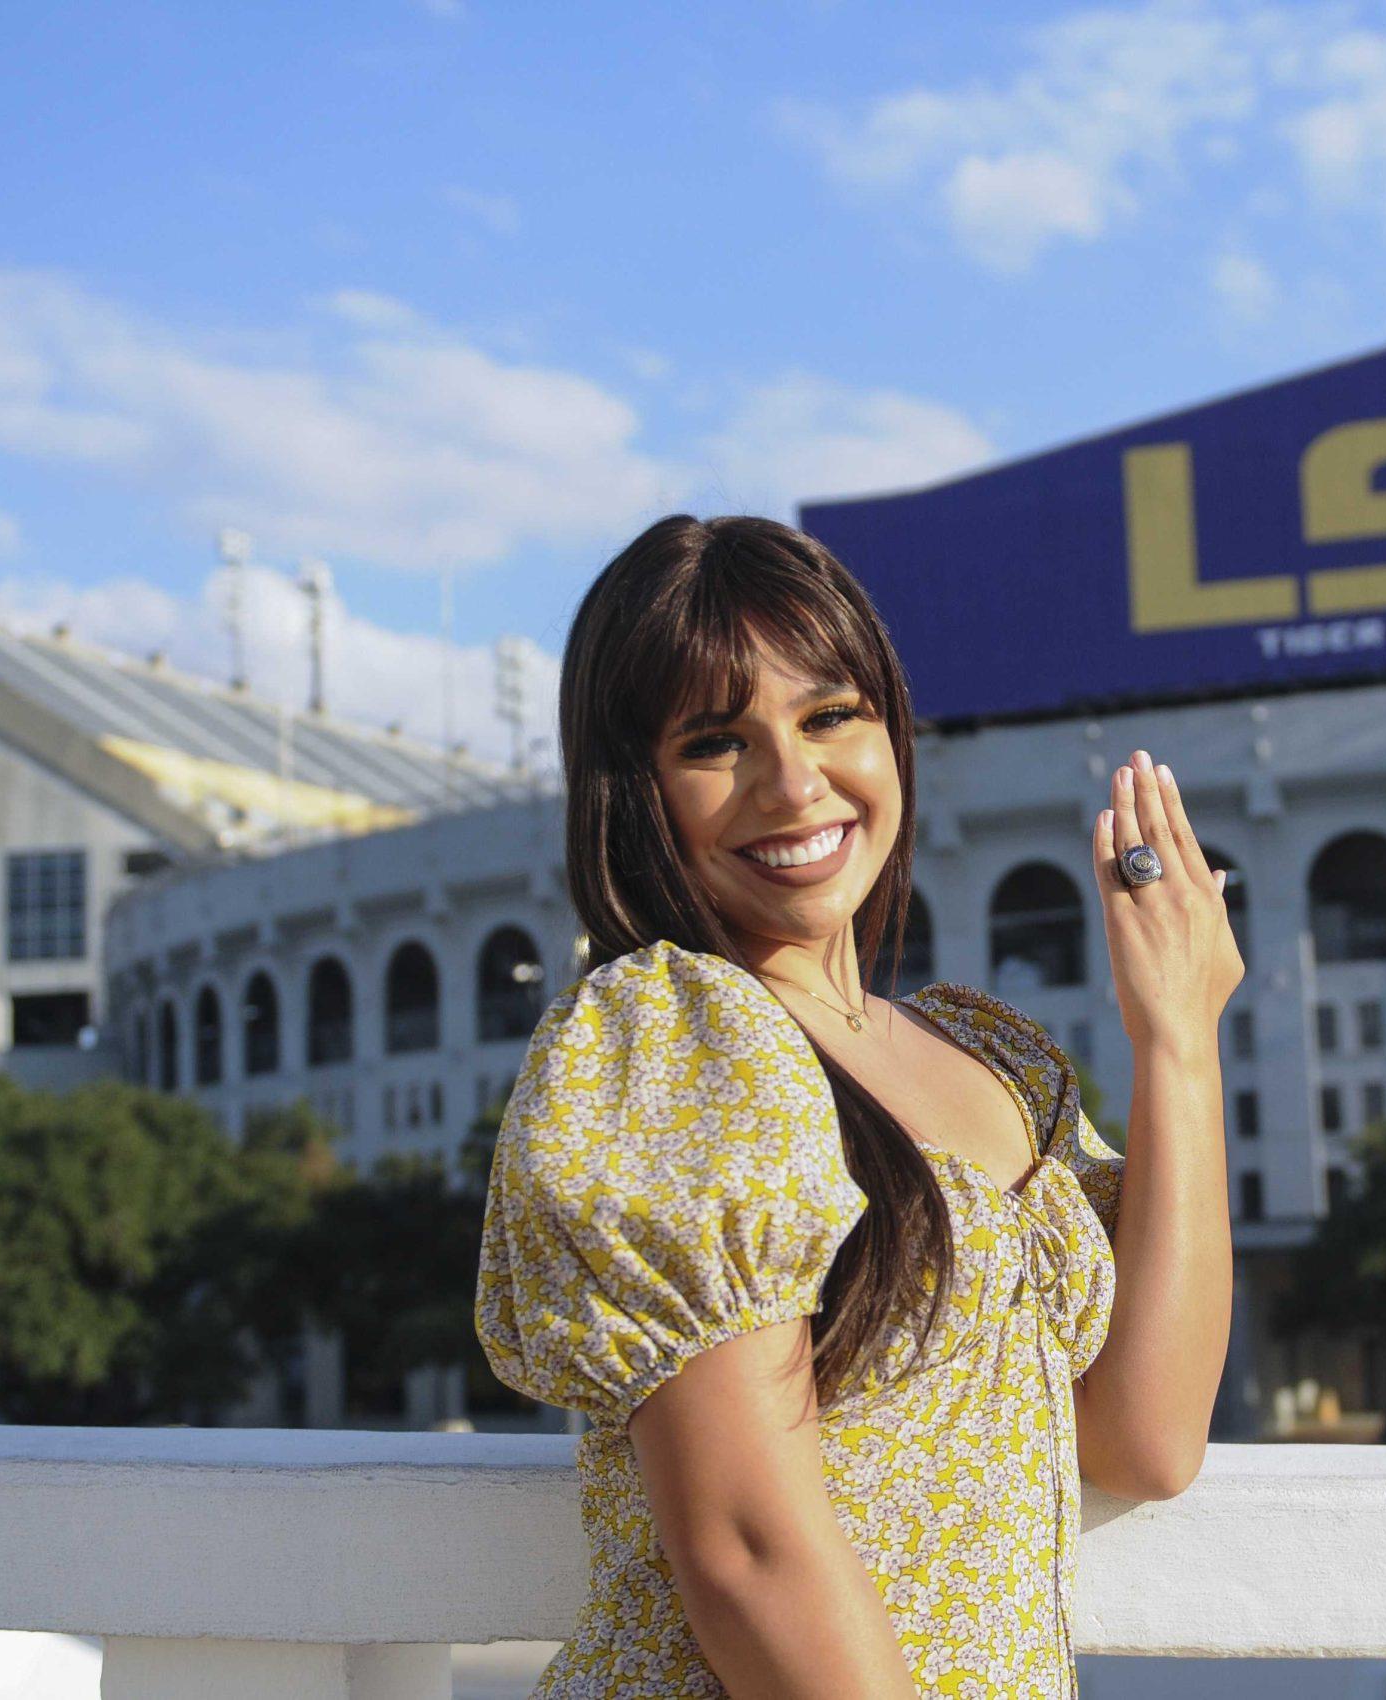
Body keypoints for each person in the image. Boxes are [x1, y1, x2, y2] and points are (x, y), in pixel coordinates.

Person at [474, 514, 1241, 1698]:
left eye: (831, 715)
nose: (794, 783)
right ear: (636, 791)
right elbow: (744, 1549)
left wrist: (1178, 1037)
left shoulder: (991, 1056)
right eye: (716, 741)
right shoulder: (677, 1040)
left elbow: (1144, 1436)